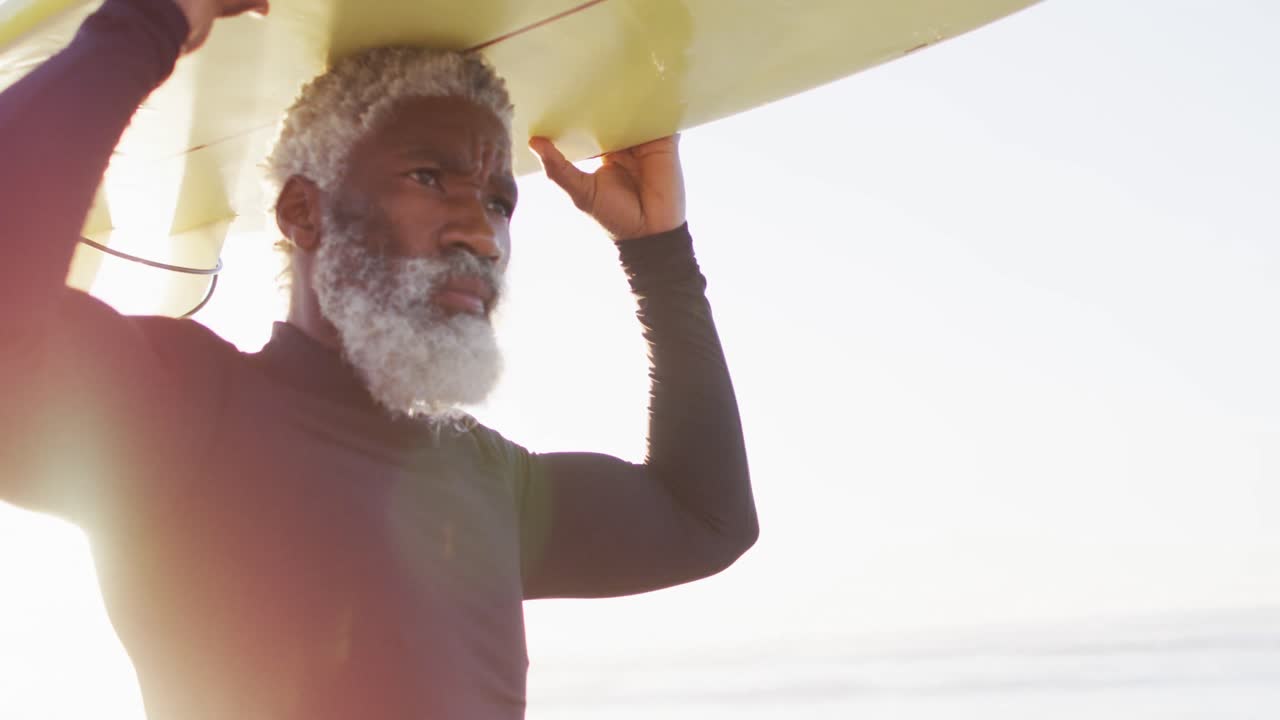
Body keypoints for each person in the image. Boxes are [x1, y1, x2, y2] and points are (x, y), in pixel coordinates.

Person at [0, 0, 757, 717]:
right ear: (304, 210)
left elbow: (706, 520)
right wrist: (147, 22)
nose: (482, 235)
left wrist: (658, 255)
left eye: (499, 200)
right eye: (429, 178)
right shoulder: (180, 410)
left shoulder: (481, 479)